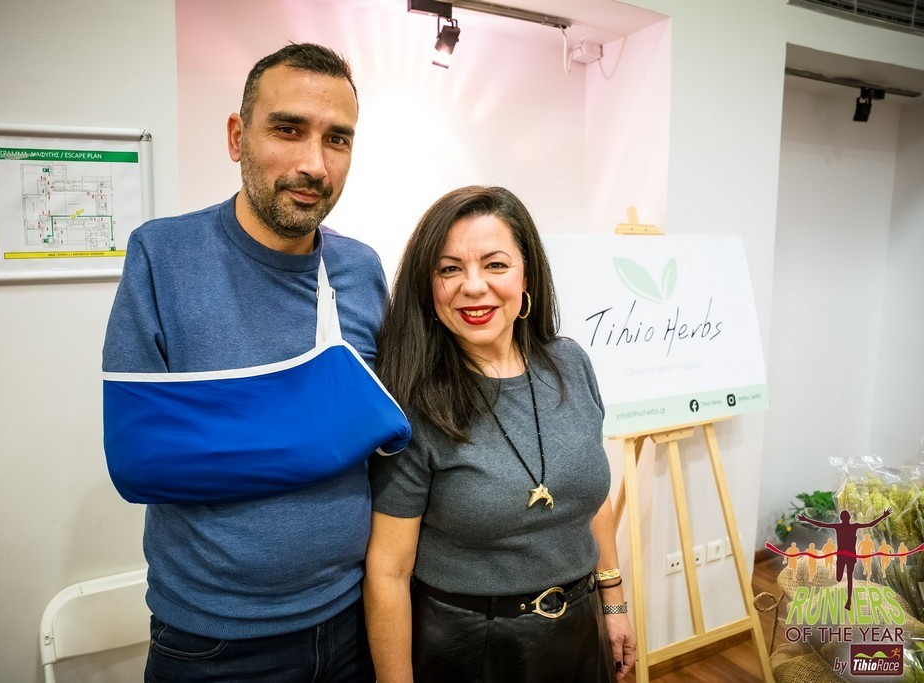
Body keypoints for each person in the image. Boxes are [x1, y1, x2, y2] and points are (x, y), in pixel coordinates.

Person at [103, 43, 398, 682]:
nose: (313, 163)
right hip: (214, 642)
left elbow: (391, 447)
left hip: (351, 621)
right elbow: (138, 461)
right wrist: (328, 435)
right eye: (288, 130)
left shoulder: (360, 270)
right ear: (238, 137)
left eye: (337, 139)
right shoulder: (163, 257)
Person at [365, 185, 637, 682]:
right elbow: (389, 571)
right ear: (429, 286)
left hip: (580, 626)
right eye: (450, 269)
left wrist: (613, 601)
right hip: (470, 645)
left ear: (526, 274)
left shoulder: (570, 364)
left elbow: (589, 493)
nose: (473, 286)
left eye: (495, 265)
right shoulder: (414, 401)